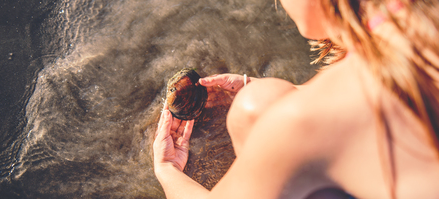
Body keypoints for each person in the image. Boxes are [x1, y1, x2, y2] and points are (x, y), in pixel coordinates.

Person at [152, 0, 439, 198]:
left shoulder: (300, 124)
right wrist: (254, 86)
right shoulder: (421, 22)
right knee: (258, 102)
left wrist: (167, 170)